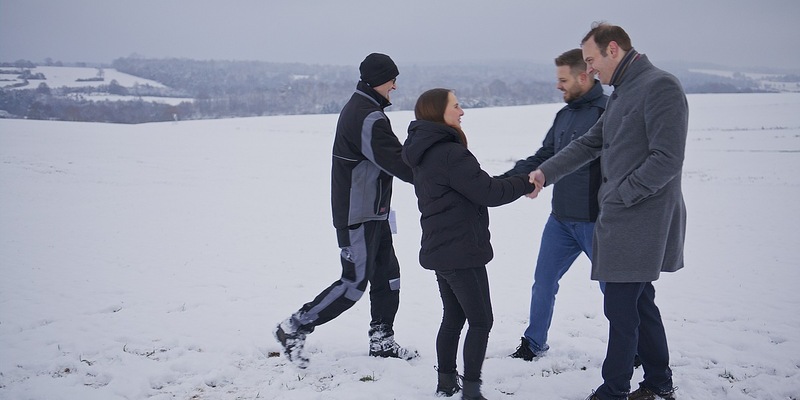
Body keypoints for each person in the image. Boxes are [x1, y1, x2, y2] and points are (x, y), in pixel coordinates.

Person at [528, 23, 687, 400]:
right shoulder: (624, 91)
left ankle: (613, 390)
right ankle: (659, 383)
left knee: (621, 309)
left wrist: (619, 195)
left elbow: (667, 159)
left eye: (591, 60)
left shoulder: (660, 86)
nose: (590, 69)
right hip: (622, 219)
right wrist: (544, 173)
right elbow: (590, 143)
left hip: (640, 220)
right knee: (639, 304)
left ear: (612, 49)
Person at [274, 53, 417, 368]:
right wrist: (430, 156)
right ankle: (295, 326)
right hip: (358, 216)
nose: (395, 85)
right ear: (379, 79)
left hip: (374, 213)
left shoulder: (367, 109)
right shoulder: (368, 117)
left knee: (388, 278)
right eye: (392, 78)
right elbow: (399, 164)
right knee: (353, 284)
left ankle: (382, 341)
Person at [402, 88, 536, 399]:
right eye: (456, 106)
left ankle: (447, 383)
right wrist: (526, 181)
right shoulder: (450, 153)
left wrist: (512, 178)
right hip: (461, 250)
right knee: (480, 320)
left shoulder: (424, 151)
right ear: (439, 112)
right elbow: (489, 193)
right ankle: (471, 393)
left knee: (454, 316)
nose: (462, 112)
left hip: (442, 248)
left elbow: (476, 186)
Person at [500, 48, 608, 361]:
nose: (558, 86)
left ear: (584, 75)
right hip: (560, 220)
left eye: (563, 79)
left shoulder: (608, 112)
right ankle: (533, 344)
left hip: (597, 222)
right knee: (543, 283)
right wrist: (503, 181)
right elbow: (544, 156)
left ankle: (636, 348)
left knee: (614, 293)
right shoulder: (564, 115)